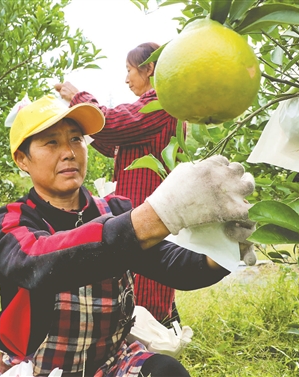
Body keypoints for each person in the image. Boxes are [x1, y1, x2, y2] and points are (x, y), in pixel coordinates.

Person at [0, 94, 256, 376]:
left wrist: (222, 248)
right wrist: (157, 214)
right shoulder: (11, 221)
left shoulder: (114, 210)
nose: (69, 152)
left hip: (111, 363)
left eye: (76, 139)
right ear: (22, 159)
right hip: (37, 368)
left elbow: (175, 266)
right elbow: (36, 262)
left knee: (167, 371)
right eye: (51, 142)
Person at [54, 42, 181, 327]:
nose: (126, 79)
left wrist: (79, 98)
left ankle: (150, 350)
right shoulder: (159, 108)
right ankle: (147, 339)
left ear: (149, 69)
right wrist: (80, 120)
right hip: (141, 213)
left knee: (147, 284)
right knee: (138, 279)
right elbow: (111, 140)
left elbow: (113, 123)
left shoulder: (161, 103)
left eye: (129, 71)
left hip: (147, 213)